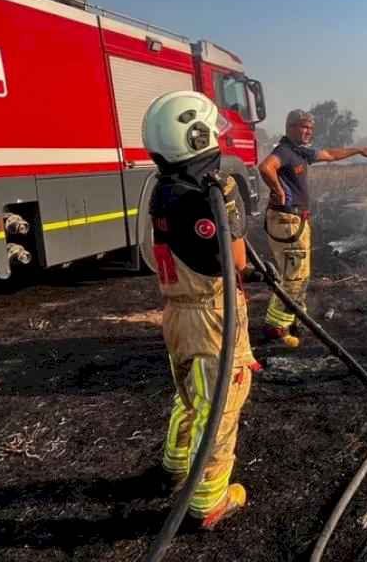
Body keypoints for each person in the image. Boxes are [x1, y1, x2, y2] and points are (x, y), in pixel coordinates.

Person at [142, 90, 262, 529]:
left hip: (177, 315)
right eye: (211, 132)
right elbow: (237, 262)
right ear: (195, 137)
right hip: (213, 316)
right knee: (221, 408)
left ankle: (175, 468)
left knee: (191, 398)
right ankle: (208, 501)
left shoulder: (165, 190)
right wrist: (232, 210)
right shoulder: (204, 196)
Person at [257, 109, 367, 347]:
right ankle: (276, 328)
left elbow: (330, 154)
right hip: (287, 220)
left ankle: (294, 319)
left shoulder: (299, 153)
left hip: (295, 220)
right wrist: (279, 191)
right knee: (295, 276)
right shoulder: (284, 151)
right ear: (290, 127)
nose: (308, 131)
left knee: (298, 274)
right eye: (303, 127)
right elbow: (265, 167)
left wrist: (358, 149)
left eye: (311, 128)